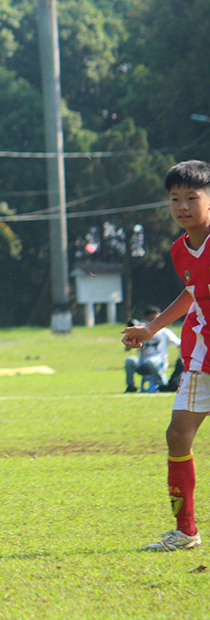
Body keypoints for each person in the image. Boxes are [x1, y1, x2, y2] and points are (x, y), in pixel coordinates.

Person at [122, 160, 210, 552]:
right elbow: (191, 294)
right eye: (175, 199)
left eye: (193, 197)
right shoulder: (180, 249)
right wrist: (150, 329)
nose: (183, 206)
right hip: (202, 355)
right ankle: (186, 531)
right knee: (177, 434)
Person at [123, 306, 181, 393]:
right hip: (142, 362)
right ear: (146, 317)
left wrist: (181, 360)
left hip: (158, 362)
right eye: (154, 317)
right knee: (130, 360)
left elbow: (179, 344)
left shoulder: (164, 332)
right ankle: (131, 386)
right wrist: (130, 340)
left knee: (150, 362)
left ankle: (163, 384)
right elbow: (127, 349)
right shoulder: (141, 330)